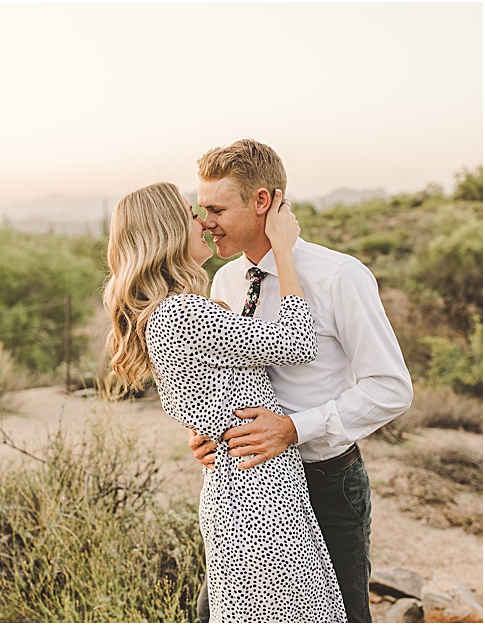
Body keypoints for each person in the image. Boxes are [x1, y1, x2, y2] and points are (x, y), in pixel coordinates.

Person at [189, 138, 413, 622]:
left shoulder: (339, 275)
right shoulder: (224, 281)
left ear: (262, 202)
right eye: (201, 209)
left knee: (345, 615)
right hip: (243, 488)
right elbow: (220, 375)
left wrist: (294, 429)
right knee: (215, 614)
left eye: (216, 208)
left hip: (325, 483)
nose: (205, 222)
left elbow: (391, 387)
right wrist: (203, 430)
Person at [104, 181, 346, 622]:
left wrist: (207, 432)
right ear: (168, 229)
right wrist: (284, 249)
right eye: (190, 212)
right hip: (258, 496)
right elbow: (296, 342)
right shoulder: (182, 313)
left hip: (246, 485)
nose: (202, 220)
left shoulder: (179, 310)